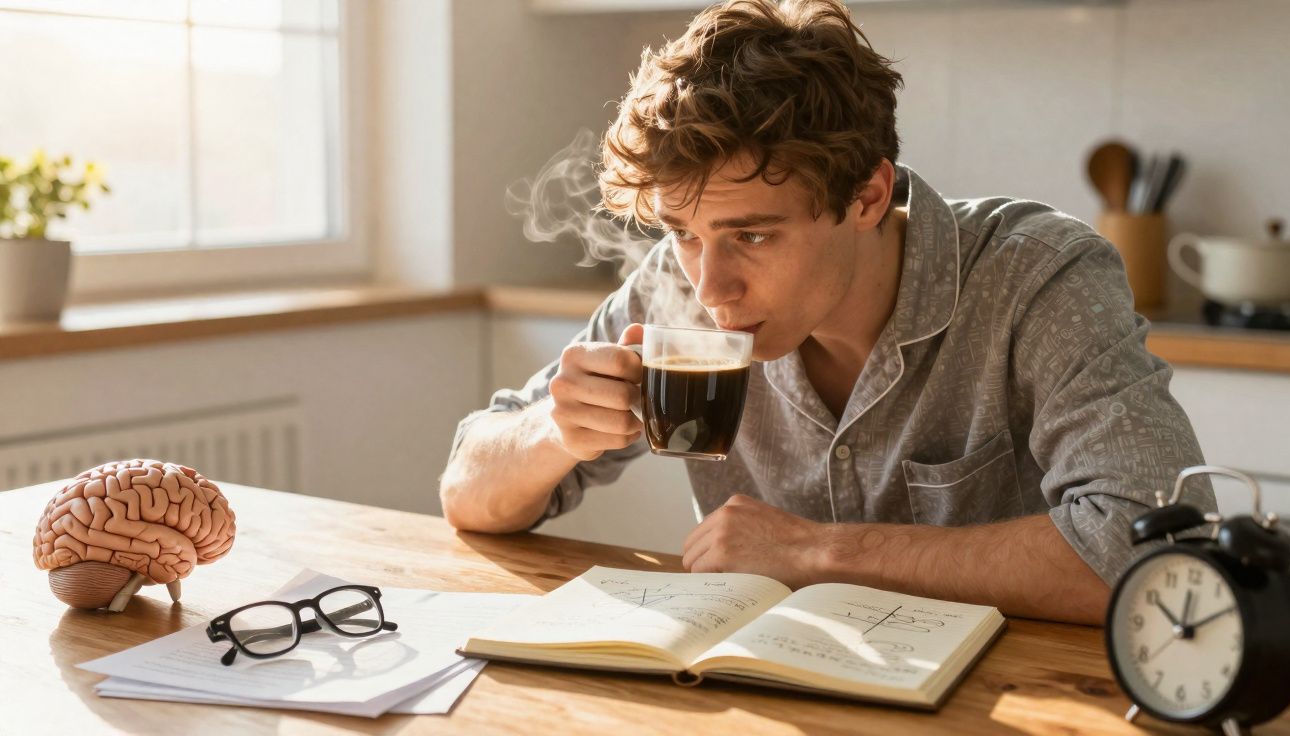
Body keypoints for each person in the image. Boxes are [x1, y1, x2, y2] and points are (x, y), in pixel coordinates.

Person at [440, 0, 1213, 625]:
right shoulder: (674, 288)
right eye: (684, 233)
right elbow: (465, 493)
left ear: (867, 196)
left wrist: (819, 554)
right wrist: (554, 431)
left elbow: (1155, 550)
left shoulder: (1038, 278)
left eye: (752, 236)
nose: (712, 287)